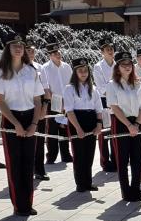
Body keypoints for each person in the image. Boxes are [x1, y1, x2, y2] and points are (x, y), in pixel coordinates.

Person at [0, 33, 44, 217]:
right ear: (8, 48)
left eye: (21, 45)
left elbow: (37, 100)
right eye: (14, 45)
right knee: (15, 163)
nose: (19, 48)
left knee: (28, 163)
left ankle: (28, 203)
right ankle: (18, 205)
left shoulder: (31, 71)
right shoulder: (0, 72)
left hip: (30, 117)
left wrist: (34, 123)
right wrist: (16, 124)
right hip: (11, 118)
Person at [108, 51, 141, 202]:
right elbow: (114, 107)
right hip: (120, 122)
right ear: (117, 67)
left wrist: (136, 124)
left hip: (137, 122)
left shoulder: (139, 83)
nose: (127, 67)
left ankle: (136, 189)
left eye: (129, 64)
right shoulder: (112, 85)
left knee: (138, 159)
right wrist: (129, 125)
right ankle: (126, 191)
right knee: (122, 159)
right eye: (123, 64)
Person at [64, 58, 103, 193]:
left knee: (89, 153)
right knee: (79, 154)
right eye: (80, 70)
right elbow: (69, 111)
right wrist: (78, 128)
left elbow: (99, 108)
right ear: (75, 72)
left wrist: (99, 124)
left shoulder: (94, 88)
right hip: (77, 120)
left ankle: (88, 182)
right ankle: (80, 183)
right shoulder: (69, 89)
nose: (83, 73)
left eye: (85, 70)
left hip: (91, 119)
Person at [40, 44, 73, 166]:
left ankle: (66, 155)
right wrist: (57, 102)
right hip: (53, 101)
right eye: (54, 53)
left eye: (58, 52)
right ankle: (51, 156)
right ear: (50, 55)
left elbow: (71, 84)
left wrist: (68, 101)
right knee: (52, 130)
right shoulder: (45, 68)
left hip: (67, 101)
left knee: (64, 128)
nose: (58, 55)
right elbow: (46, 87)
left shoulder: (67, 67)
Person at [25, 40, 51, 183]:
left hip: (39, 104)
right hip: (24, 104)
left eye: (33, 51)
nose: (31, 53)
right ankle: (27, 170)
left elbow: (46, 90)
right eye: (28, 50)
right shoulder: (18, 68)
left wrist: (44, 108)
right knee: (26, 139)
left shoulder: (39, 67)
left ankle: (40, 170)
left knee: (40, 139)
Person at [93, 37, 117, 173]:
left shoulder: (117, 65)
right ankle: (105, 162)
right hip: (104, 101)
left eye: (111, 48)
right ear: (102, 52)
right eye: (107, 49)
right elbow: (101, 87)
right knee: (104, 132)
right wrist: (114, 91)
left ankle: (115, 159)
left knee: (115, 130)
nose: (110, 51)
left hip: (117, 101)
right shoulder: (98, 67)